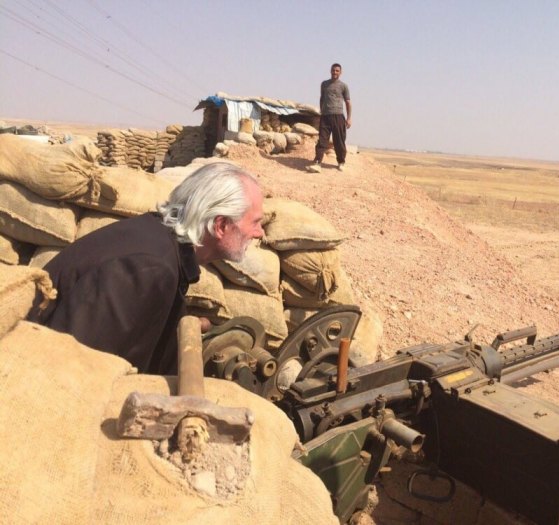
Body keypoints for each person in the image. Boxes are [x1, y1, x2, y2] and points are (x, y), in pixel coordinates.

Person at [27, 162, 264, 375]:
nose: (260, 233)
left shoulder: (158, 243)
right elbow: (79, 367)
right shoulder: (149, 268)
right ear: (220, 225)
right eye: (255, 223)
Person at [307, 63, 352, 173]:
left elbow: (348, 102)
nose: (335, 72)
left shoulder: (343, 86)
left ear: (340, 72)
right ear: (330, 71)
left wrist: (349, 118)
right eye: (333, 70)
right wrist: (322, 112)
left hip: (338, 116)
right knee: (322, 140)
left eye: (337, 71)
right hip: (326, 116)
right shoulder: (324, 84)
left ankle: (341, 162)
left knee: (339, 141)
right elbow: (322, 98)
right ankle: (317, 162)